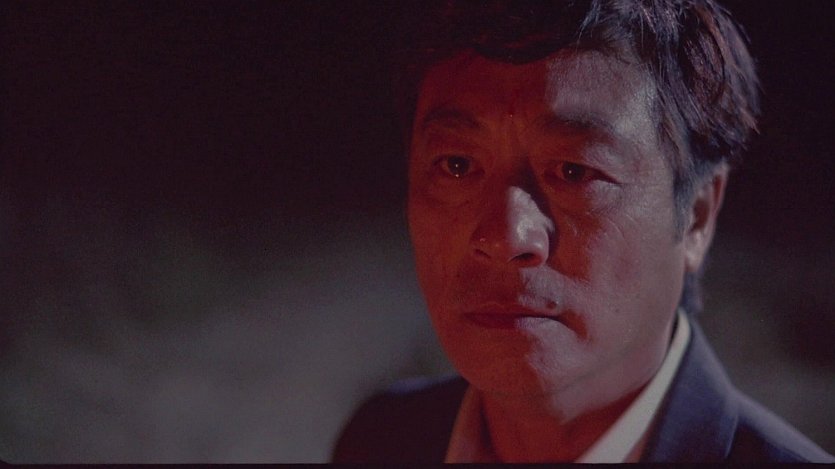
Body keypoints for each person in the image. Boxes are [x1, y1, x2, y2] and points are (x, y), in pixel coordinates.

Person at [332, 0, 834, 463]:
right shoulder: (382, 441)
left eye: (574, 171)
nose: (506, 238)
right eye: (457, 165)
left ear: (697, 216)